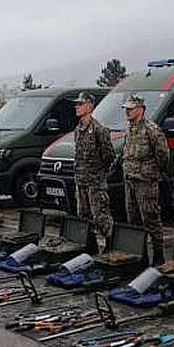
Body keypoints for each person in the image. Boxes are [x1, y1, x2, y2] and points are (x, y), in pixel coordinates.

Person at [121, 93, 169, 264]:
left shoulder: (152, 130)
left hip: (145, 182)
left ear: (140, 109)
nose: (127, 112)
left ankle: (158, 256)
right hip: (130, 180)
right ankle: (140, 257)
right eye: (126, 109)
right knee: (133, 220)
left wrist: (152, 173)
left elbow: (163, 156)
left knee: (151, 219)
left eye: (131, 109)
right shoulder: (129, 129)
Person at [72, 92, 115, 252]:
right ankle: (90, 249)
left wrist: (97, 171)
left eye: (80, 104)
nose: (77, 106)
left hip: (95, 183)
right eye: (76, 104)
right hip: (81, 182)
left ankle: (111, 248)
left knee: (101, 217)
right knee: (83, 216)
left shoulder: (99, 130)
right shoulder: (78, 130)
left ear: (89, 106)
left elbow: (109, 156)